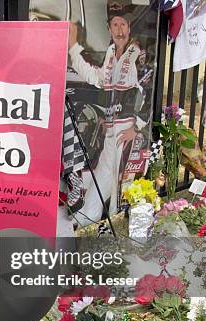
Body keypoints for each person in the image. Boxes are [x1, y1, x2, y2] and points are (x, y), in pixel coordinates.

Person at [68, 0, 153, 226]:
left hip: (126, 130)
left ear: (129, 27)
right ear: (109, 29)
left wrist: (136, 128)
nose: (120, 30)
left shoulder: (137, 54)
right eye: (115, 25)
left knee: (119, 183)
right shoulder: (111, 53)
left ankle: (118, 228)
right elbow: (96, 78)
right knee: (104, 175)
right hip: (111, 129)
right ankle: (87, 218)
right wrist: (73, 48)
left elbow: (148, 89)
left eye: (123, 25)